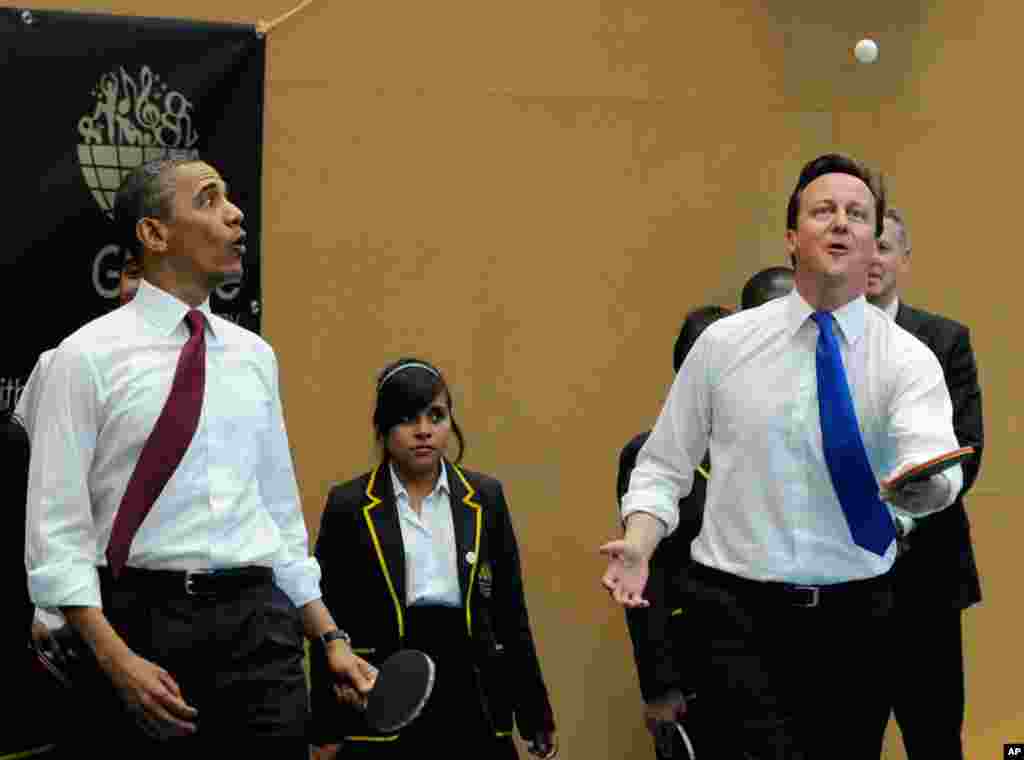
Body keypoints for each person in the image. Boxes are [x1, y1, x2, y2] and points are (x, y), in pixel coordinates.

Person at [600, 153, 964, 759]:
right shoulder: (724, 346)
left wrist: (924, 488)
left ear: (876, 243)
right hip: (737, 615)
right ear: (793, 237)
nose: (841, 223)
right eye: (824, 211)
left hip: (858, 619)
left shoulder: (907, 360)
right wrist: (639, 542)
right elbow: (662, 466)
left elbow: (932, 460)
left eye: (857, 214)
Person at [24, 158, 374, 755]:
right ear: (154, 234)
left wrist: (330, 637)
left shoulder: (254, 357)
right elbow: (57, 533)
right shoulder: (82, 358)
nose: (236, 214)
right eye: (209, 200)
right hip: (140, 628)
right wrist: (115, 660)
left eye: (231, 199)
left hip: (261, 632)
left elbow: (279, 516)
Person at [310, 358, 557, 759]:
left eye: (436, 416)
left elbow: (511, 612)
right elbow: (326, 618)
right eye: (407, 418)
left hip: (471, 687)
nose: (424, 430)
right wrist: (325, 727)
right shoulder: (349, 504)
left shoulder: (485, 497)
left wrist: (535, 713)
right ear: (384, 428)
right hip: (385, 690)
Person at [866, 207, 984, 759]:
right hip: (837, 590)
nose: (873, 259)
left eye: (885, 248)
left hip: (928, 580)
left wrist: (903, 513)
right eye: (865, 246)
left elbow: (967, 451)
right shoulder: (810, 343)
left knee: (935, 741)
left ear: (904, 260)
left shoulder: (945, 339)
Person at [615, 305, 731, 760]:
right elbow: (647, 581)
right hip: (692, 665)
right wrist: (659, 686)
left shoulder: (763, 449)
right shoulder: (653, 454)